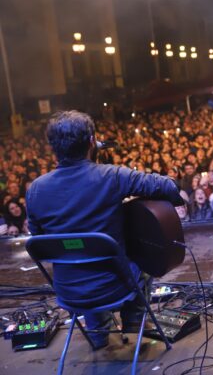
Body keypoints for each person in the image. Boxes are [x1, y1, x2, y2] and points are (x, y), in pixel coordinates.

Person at [26, 111, 183, 349]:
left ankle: (99, 333)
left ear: (53, 148)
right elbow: (168, 187)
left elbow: (38, 239)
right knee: (144, 259)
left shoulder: (36, 189)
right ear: (91, 141)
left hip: (68, 291)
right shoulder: (111, 176)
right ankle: (134, 323)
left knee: (81, 256)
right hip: (115, 285)